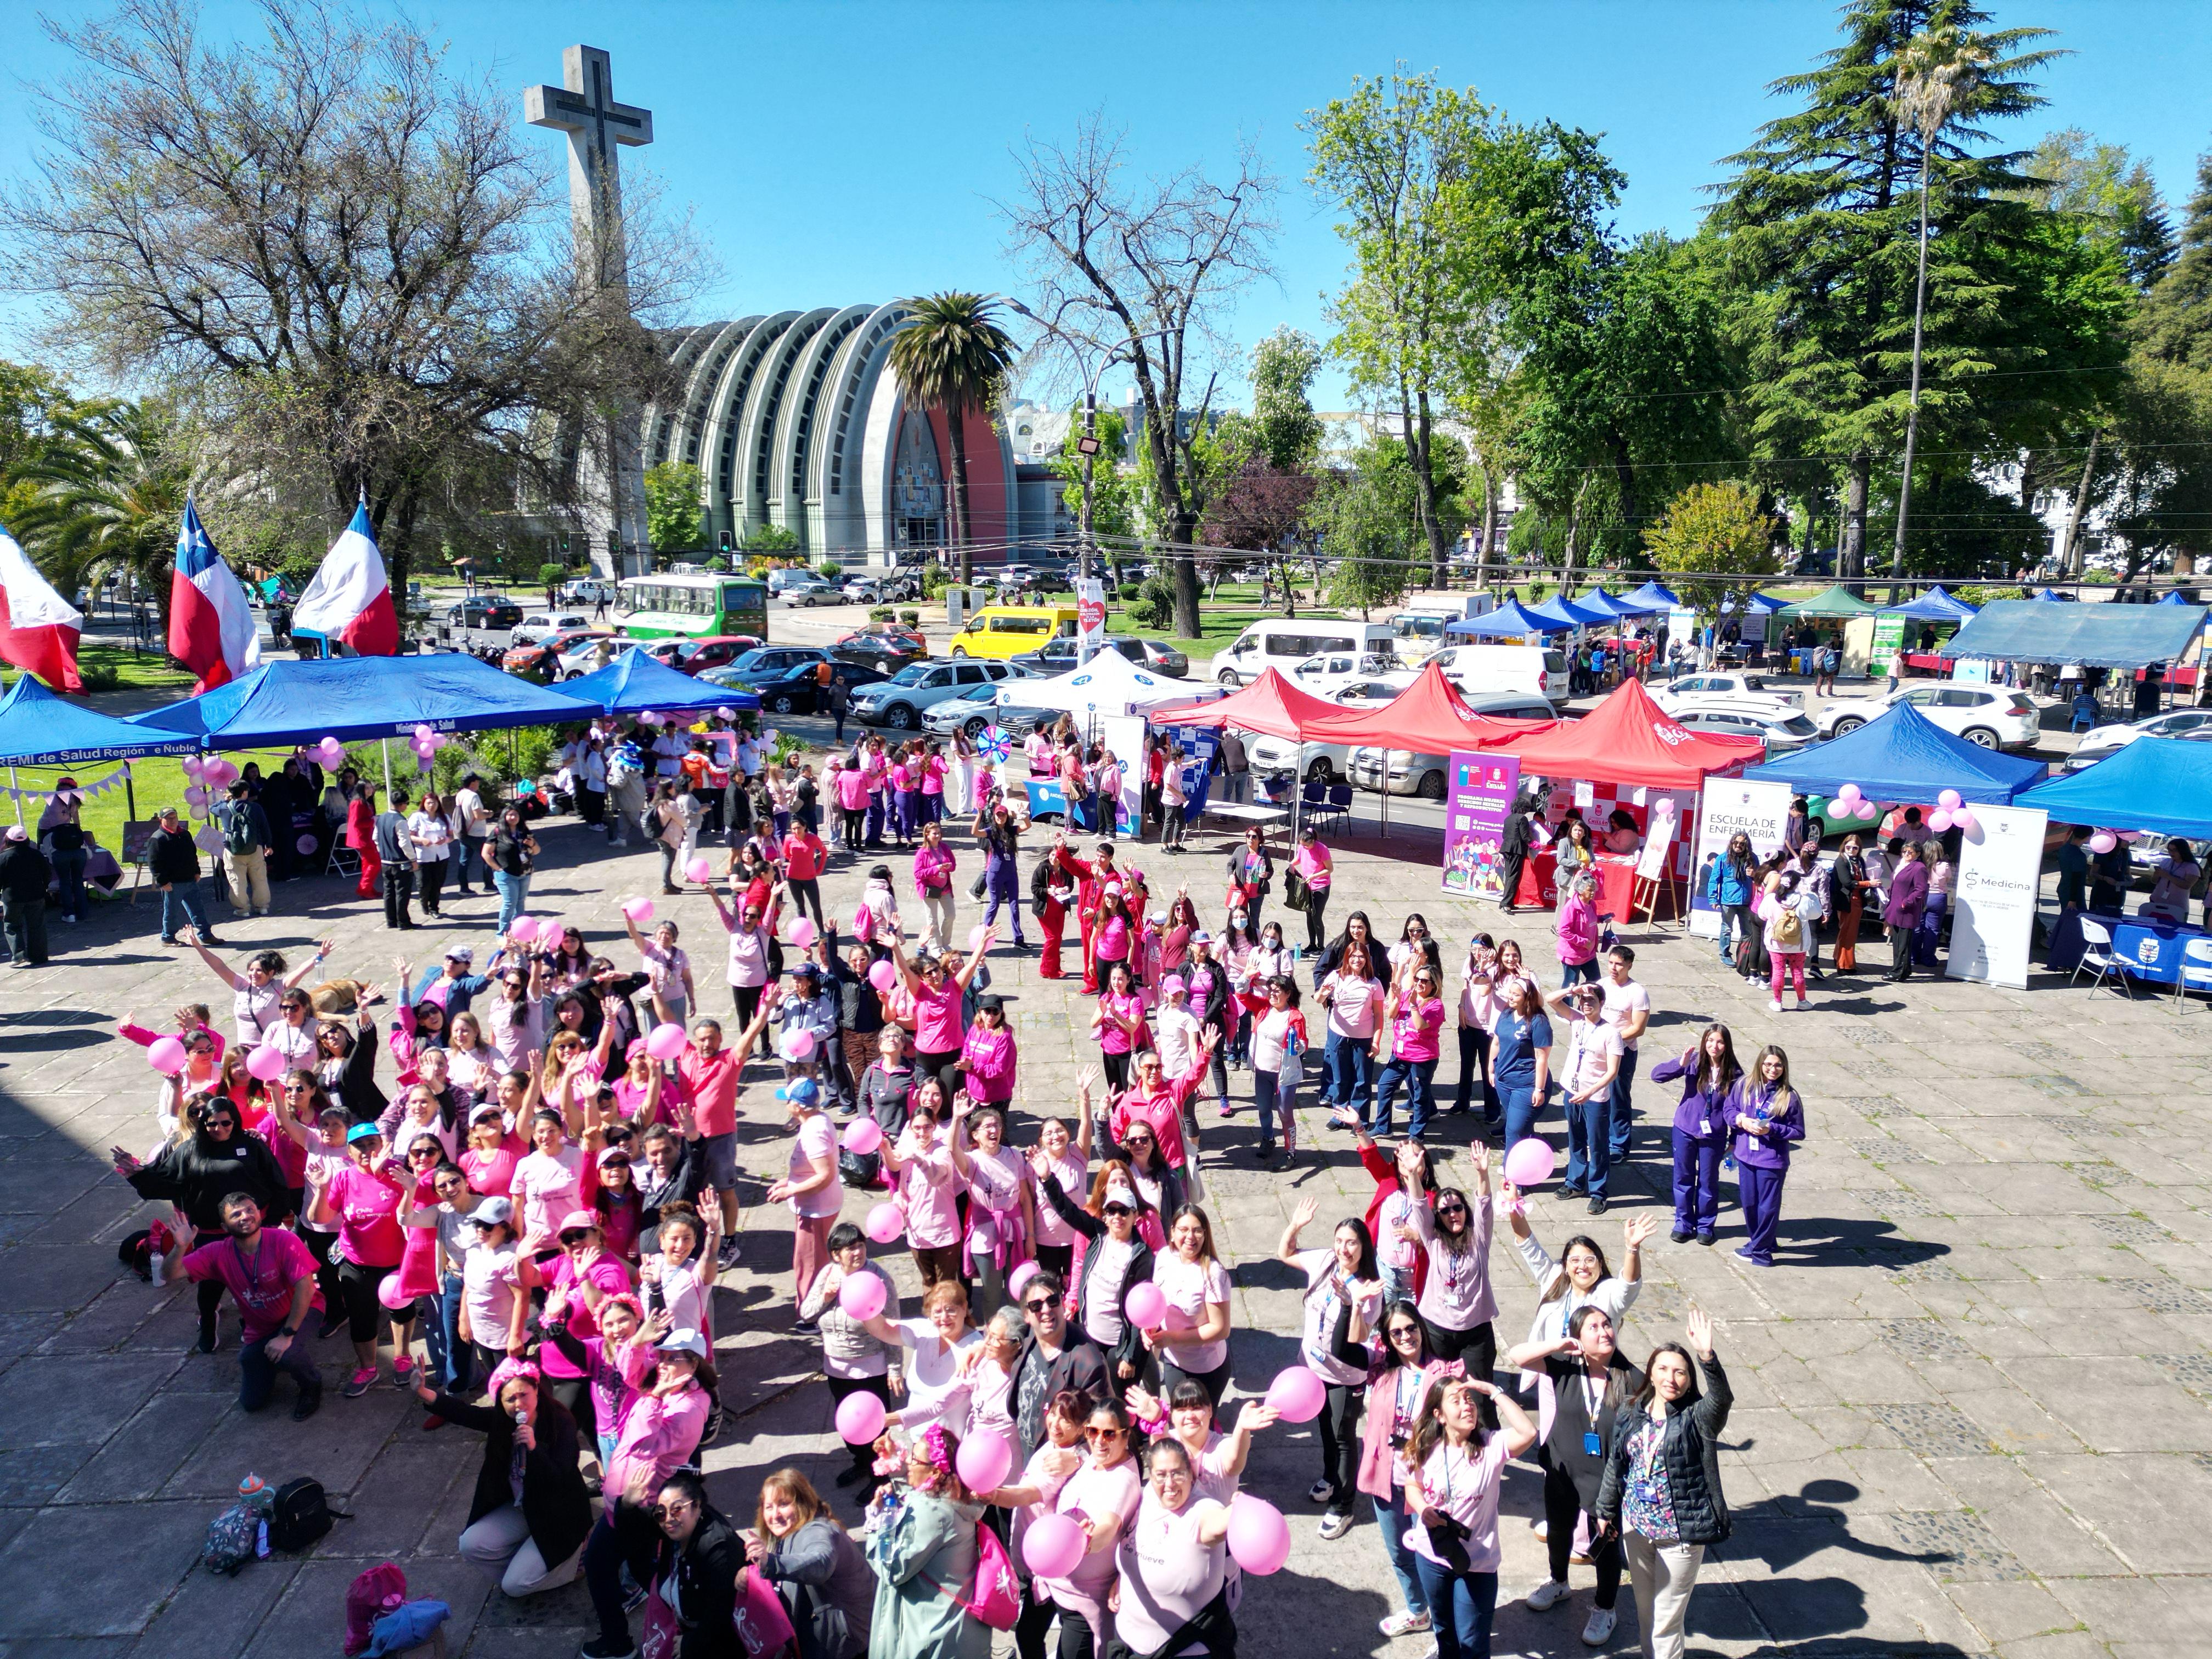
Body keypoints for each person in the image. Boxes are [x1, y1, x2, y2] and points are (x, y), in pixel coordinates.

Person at [1595, 1312, 1732, 1659]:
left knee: (1666, 1622)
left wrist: (1707, 1358)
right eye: (1663, 1369)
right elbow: (1617, 1463)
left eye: (1680, 1372)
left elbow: (1721, 1401)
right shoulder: (1631, 1410)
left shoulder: (1697, 1417)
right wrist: (1605, 1510)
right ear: (1651, 1373)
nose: (1671, 1378)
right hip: (1637, 1530)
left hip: (1680, 1537)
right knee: (1646, 1613)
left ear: (1688, 1381)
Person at [112, 1094, 295, 1353]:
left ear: (235, 1121)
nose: (219, 1129)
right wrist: (137, 1172)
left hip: (250, 1230)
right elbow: (165, 1179)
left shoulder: (252, 1145)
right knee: (210, 1285)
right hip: (210, 1233)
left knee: (256, 1281)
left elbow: (277, 1183)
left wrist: (274, 1221)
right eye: (212, 1124)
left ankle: (252, 1322)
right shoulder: (190, 1150)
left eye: (225, 1123)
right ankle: (208, 1321)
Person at [580, 1330, 720, 1657]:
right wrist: (641, 1338)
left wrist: (656, 1395)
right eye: (662, 1356)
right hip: (625, 1500)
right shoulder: (671, 1388)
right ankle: (687, 1623)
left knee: (603, 1565)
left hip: (639, 1505)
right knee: (646, 1570)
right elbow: (629, 1370)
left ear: (693, 1364)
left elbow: (644, 1446)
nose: (663, 1364)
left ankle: (621, 1641)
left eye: (674, 1359)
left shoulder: (690, 1409)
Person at [1510, 1306, 1643, 1643]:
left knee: (1605, 1547)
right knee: (1558, 1531)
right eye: (1594, 1327)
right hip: (1561, 1468)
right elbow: (1517, 1356)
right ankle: (1559, 1582)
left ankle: (1605, 1609)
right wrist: (1557, 1345)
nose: (1604, 1332)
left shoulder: (1634, 1380)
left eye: (1607, 1325)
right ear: (1579, 1338)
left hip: (1604, 1481)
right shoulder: (1564, 1367)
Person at [416, 1356, 592, 1597]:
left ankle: (571, 1566)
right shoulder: (503, 1421)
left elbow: (559, 1475)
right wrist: (424, 1392)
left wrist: (535, 1448)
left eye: (524, 1395)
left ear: (537, 1392)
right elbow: (467, 1414)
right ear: (501, 1402)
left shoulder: (560, 1422)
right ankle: (528, 1565)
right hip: (522, 1508)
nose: (519, 1404)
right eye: (510, 1399)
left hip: (558, 1514)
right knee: (471, 1545)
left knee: (514, 1587)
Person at [1399, 1374, 1539, 1659]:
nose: (1468, 1406)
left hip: (1478, 1563)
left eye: (1470, 1400)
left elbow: (1528, 1433)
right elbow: (1413, 1485)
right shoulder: (1426, 1446)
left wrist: (1493, 1391)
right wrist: (1423, 1509)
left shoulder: (1491, 1446)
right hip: (1432, 1556)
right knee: (1445, 1634)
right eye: (1456, 1401)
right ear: (1439, 1415)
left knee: (1473, 1643)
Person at [161, 1190, 323, 1418]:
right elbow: (170, 1274)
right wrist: (180, 1247)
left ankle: (311, 1384)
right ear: (225, 1227)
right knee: (251, 1402)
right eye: (236, 1214)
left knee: (288, 1354)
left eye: (250, 1210)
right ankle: (273, 1359)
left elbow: (306, 1289)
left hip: (302, 1312)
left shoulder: (283, 1240)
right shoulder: (218, 1252)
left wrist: (286, 1335)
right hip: (261, 1328)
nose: (245, 1216)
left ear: (259, 1214)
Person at [1277, 1194, 1382, 1540]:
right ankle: (1329, 1477)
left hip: (1344, 1376)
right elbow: (1286, 1253)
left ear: (1364, 1247)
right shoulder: (1324, 1261)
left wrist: (1353, 1303)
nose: (1343, 1249)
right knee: (1325, 1428)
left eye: (1351, 1243)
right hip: (1312, 1371)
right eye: (1339, 1241)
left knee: (1342, 1437)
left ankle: (1343, 1506)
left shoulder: (1370, 1288)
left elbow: (1355, 1340)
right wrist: (1295, 1225)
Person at [1111, 1437, 1237, 1655]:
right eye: (1161, 1474)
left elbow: (1217, 1524)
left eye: (1177, 1473)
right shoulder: (1148, 1496)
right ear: (1151, 1476)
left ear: (1190, 1474)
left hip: (1184, 1649)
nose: (1169, 1484)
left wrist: (1238, 1511)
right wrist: (1123, 1577)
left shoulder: (1202, 1510)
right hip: (1127, 1642)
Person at [744, 1468, 875, 1659]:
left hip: (847, 1645)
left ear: (803, 1503)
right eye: (769, 1507)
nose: (775, 1515)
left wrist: (771, 1563)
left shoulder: (818, 1531)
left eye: (784, 1504)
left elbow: (819, 1562)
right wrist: (749, 1574)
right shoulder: (786, 1533)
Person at [1648, 1026, 1739, 1246]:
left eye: (1719, 1042)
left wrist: (1734, 1141)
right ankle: (1683, 1223)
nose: (1714, 1047)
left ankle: (1706, 1225)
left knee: (1708, 1181)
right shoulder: (1694, 1061)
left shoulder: (1735, 1073)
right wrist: (1680, 1063)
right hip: (1685, 1129)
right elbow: (1656, 1076)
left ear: (1727, 1046)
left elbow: (1737, 1109)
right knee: (1683, 1178)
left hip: (1713, 1136)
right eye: (1710, 1041)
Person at [1549, 983, 1622, 1216]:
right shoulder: (1578, 1021)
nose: (1587, 1004)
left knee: (1598, 1145)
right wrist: (1574, 990)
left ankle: (1599, 1192)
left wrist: (1589, 1092)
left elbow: (1613, 1072)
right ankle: (1575, 1182)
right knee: (1575, 1138)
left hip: (1594, 1098)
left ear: (1602, 1004)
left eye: (1592, 1000)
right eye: (1585, 1000)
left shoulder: (1611, 1033)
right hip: (1572, 1091)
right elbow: (1551, 1000)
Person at [1731, 1045, 1805, 1267]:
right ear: (1760, 1065)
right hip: (1746, 1155)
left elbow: (1799, 1131)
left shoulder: (1789, 1097)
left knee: (1768, 1206)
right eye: (1769, 1065)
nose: (1773, 1069)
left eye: (1778, 1065)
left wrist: (1772, 1130)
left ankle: (1760, 1253)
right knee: (1750, 1203)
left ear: (1784, 1068)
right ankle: (1762, 1241)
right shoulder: (1744, 1086)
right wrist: (1740, 1120)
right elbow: (1729, 1109)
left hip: (1771, 1160)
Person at [1373, 961, 1447, 1143]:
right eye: (1417, 979)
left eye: (1424, 981)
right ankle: (1383, 1127)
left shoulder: (1435, 1006)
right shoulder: (1407, 995)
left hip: (1422, 1058)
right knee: (1384, 1085)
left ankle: (1416, 1134)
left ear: (1433, 985)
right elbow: (1391, 1015)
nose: (1419, 983)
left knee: (1420, 1095)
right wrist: (1398, 1000)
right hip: (1400, 1055)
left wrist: (1414, 1005)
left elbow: (1421, 1025)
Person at [1487, 975, 1552, 1151]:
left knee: (1514, 1130)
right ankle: (1530, 1162)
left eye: (1516, 995)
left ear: (1527, 998)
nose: (1510, 997)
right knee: (1522, 1126)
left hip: (1526, 1084)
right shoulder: (1507, 1014)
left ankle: (1512, 1170)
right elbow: (1496, 1042)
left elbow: (1542, 1058)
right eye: (1510, 993)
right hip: (1504, 1080)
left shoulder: (1538, 1022)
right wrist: (1491, 1070)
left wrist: (1539, 1089)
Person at [149, 805, 219, 946]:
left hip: (190, 880)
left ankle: (206, 935)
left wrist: (197, 871)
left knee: (198, 909)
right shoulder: (158, 839)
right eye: (168, 818)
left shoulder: (185, 834)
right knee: (172, 913)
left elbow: (192, 855)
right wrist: (163, 882)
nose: (172, 820)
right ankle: (168, 937)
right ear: (161, 820)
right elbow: (154, 863)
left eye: (174, 817)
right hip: (173, 884)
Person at [212, 780, 273, 917]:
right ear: (245, 792)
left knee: (237, 880)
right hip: (255, 847)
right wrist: (268, 845)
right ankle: (262, 906)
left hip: (232, 849)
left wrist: (225, 800)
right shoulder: (256, 808)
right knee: (260, 878)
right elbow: (265, 827)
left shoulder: (224, 808)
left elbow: (212, 808)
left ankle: (242, 909)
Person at [1763, 869, 1820, 1013]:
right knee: (1798, 971)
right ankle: (1802, 1001)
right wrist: (1811, 895)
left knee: (1778, 971)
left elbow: (1762, 915)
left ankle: (1777, 1002)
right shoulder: (1805, 900)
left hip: (1776, 943)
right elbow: (1817, 914)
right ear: (1796, 885)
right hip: (1798, 944)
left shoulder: (1771, 899)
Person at [36, 780, 89, 923]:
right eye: (62, 789)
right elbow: (56, 825)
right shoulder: (53, 801)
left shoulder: (74, 800)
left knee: (68, 881)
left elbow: (76, 821)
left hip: (62, 836)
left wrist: (76, 831)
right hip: (51, 831)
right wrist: (73, 834)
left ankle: (72, 914)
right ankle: (78, 913)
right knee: (75, 881)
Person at [0, 826, 53, 967]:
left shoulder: (3, 857)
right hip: (36, 895)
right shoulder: (36, 855)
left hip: (13, 898)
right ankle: (39, 957)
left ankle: (18, 954)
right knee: (37, 926)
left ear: (8, 840)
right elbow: (47, 873)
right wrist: (44, 887)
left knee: (12, 925)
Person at [1704, 832, 1756, 975]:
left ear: (1747, 845)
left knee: (1748, 931)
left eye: (1742, 844)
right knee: (1727, 929)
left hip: (1746, 901)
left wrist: (1755, 874)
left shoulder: (1752, 858)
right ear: (1732, 843)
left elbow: (1761, 877)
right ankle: (1725, 954)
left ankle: (1744, 956)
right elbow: (1714, 879)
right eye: (1736, 843)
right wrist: (1713, 898)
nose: (1738, 846)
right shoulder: (1723, 858)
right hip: (1728, 900)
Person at [488, 806, 539, 936]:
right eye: (510, 815)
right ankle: (502, 933)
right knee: (510, 903)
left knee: (520, 901)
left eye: (516, 815)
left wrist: (533, 844)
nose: (513, 817)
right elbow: (486, 853)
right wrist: (498, 869)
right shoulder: (497, 832)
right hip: (507, 875)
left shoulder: (524, 831)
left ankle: (519, 931)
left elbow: (537, 851)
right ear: (504, 817)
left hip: (525, 873)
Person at [1883, 842, 1929, 983]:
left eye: (1910, 852)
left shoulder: (1919, 868)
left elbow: (1921, 890)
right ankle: (1905, 969)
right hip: (1896, 909)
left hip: (1906, 911)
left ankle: (1898, 972)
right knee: (1898, 941)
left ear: (1918, 854)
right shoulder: (1903, 864)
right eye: (1905, 852)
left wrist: (1906, 902)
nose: (1907, 855)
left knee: (1902, 944)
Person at [1224, 827, 1273, 933]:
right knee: (1238, 917)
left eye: (1254, 837)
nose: (1250, 839)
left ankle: (1255, 941)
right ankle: (1235, 938)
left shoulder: (1264, 853)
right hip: (1242, 891)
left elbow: (1271, 870)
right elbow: (1230, 865)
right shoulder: (1240, 850)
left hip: (1257, 893)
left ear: (1260, 839)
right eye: (1248, 836)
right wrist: (1231, 875)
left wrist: (1266, 874)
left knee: (1254, 919)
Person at [1293, 826, 1333, 951]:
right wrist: (1291, 865)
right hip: (1308, 886)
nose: (1304, 848)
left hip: (1321, 887)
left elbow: (1330, 869)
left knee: (1316, 916)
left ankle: (1321, 947)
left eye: (1306, 846)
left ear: (1313, 841)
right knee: (1309, 915)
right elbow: (1298, 859)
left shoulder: (1322, 849)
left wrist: (1314, 876)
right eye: (1302, 845)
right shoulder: (1302, 847)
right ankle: (1312, 944)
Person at [2145, 837, 2203, 922]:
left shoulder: (2192, 867)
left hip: (2177, 906)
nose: (2172, 853)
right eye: (2170, 850)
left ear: (2182, 850)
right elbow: (2154, 881)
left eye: (2175, 850)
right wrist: (2157, 875)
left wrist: (2168, 876)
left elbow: (2187, 885)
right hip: (2157, 901)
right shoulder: (2165, 862)